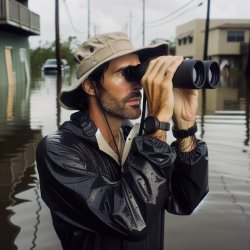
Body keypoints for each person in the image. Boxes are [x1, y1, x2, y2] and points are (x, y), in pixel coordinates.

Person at [36, 32, 208, 250]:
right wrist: (157, 124)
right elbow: (131, 220)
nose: (138, 84)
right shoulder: (58, 150)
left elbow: (185, 200)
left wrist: (185, 125)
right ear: (90, 86)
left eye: (138, 72)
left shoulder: (139, 139)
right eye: (126, 73)